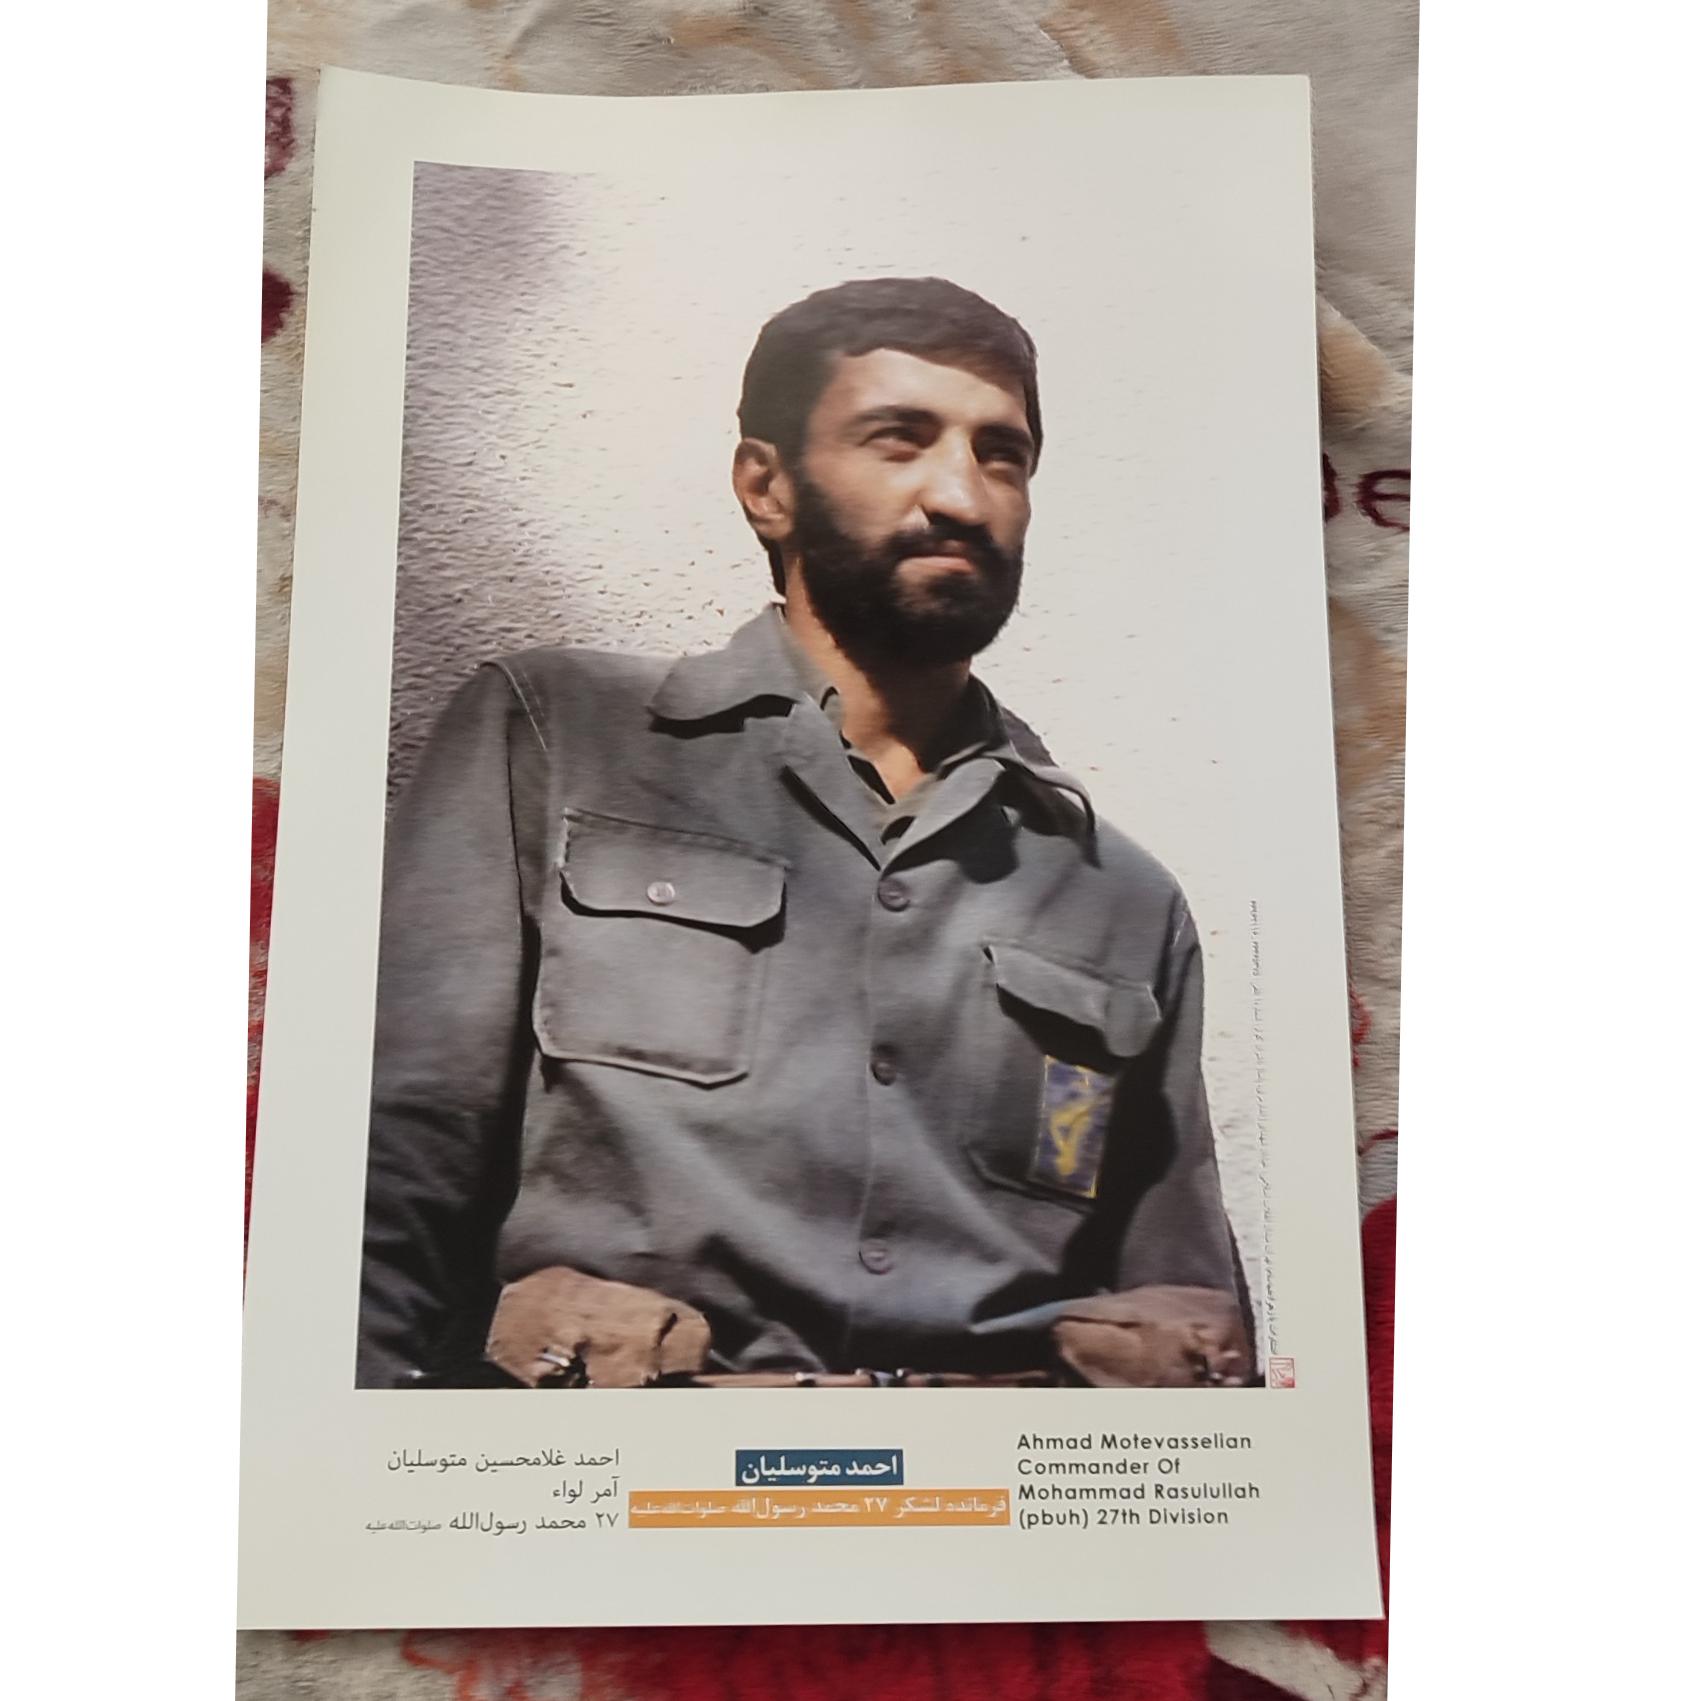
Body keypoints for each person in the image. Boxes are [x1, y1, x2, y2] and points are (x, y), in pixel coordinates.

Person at [358, 276, 1255, 1391]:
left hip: (984, 1481)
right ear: (766, 487)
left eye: (1002, 455)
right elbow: (386, 1171)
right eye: (899, 439)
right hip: (636, 1468)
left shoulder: (1118, 898)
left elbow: (1185, 1315)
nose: (961, 495)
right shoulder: (555, 738)